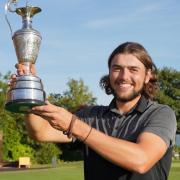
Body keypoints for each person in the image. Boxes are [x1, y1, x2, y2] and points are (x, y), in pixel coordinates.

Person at [14, 42, 176, 180]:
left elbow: (141, 160)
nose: (124, 76)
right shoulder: (91, 115)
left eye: (133, 69)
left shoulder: (160, 114)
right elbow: (41, 132)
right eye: (117, 68)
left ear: (147, 76)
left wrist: (74, 125)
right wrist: (29, 94)